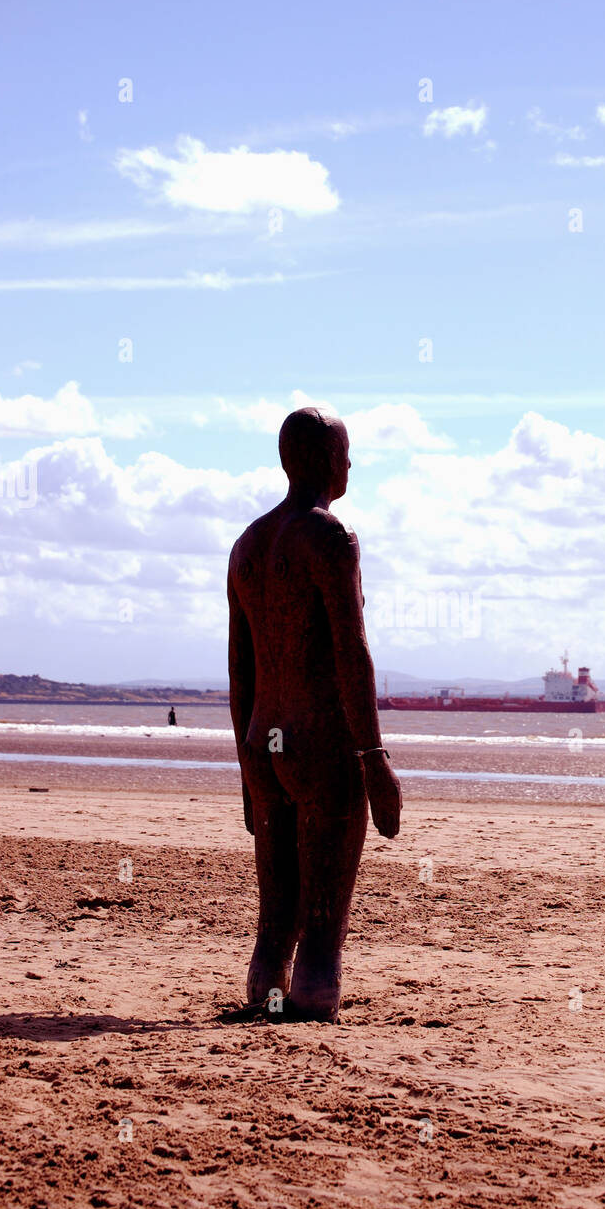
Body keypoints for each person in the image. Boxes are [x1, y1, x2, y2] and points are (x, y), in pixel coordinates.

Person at [228, 406, 402, 1022]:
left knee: (276, 908)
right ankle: (312, 997)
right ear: (327, 460)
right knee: (323, 906)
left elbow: (240, 666)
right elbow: (352, 653)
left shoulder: (247, 544)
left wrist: (246, 766)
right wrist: (374, 759)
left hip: (263, 740)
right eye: (346, 453)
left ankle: (266, 993)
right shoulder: (330, 536)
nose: (350, 464)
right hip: (320, 740)